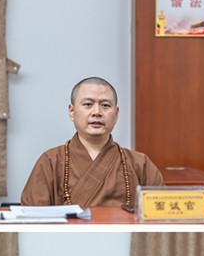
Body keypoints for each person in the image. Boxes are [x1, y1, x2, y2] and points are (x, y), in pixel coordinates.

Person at [21, 77, 163, 210]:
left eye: (105, 105)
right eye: (88, 104)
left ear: (116, 113)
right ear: (72, 111)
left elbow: (161, 213)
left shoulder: (140, 164)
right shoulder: (50, 161)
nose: (97, 112)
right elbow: (32, 217)